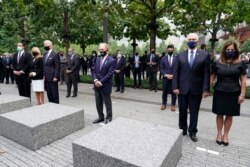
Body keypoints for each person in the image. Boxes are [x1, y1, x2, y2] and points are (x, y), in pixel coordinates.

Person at [172, 33, 210, 142]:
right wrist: (175, 87)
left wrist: (206, 89)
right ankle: (183, 129)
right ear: (187, 41)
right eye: (190, 39)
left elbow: (206, 73)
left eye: (194, 39)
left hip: (196, 89)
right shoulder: (180, 55)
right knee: (182, 111)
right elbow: (176, 72)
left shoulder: (204, 55)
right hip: (182, 88)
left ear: (198, 42)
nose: (192, 41)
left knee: (194, 112)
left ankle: (193, 131)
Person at [210, 41, 246, 146]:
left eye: (232, 50)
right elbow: (212, 77)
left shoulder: (240, 63)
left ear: (235, 51)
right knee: (219, 114)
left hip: (234, 93)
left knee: (230, 115)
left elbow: (243, 80)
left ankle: (226, 135)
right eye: (228, 50)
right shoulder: (217, 62)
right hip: (219, 92)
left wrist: (242, 94)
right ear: (224, 50)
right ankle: (219, 134)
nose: (230, 51)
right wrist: (206, 85)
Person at [92, 43, 116, 124]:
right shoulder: (98, 58)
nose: (100, 51)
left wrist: (100, 82)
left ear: (107, 50)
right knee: (98, 103)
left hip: (105, 85)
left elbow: (109, 74)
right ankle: (100, 117)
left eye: (102, 50)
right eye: (100, 50)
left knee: (107, 103)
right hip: (96, 85)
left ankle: (109, 117)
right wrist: (95, 80)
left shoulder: (111, 60)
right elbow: (94, 70)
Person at [160, 45, 177, 111]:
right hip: (165, 78)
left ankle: (173, 105)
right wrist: (165, 74)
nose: (170, 51)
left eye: (171, 50)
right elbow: (161, 68)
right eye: (169, 50)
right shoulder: (163, 58)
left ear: (173, 50)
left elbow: (178, 68)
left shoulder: (176, 58)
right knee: (164, 92)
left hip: (174, 78)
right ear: (167, 50)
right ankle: (164, 104)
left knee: (173, 92)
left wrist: (173, 75)